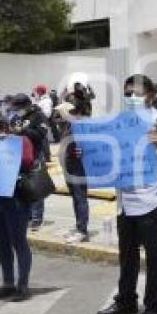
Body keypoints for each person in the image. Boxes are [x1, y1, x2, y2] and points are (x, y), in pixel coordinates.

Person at [97, 74, 157, 314]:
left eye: (137, 93)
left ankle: (154, 306)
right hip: (125, 199)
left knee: (155, 255)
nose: (132, 98)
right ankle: (126, 300)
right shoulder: (119, 122)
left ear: (151, 94)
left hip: (151, 199)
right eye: (128, 94)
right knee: (127, 254)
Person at [0, 114, 37, 302]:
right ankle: (7, 283)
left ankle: (23, 285)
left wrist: (6, 146)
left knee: (19, 242)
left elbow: (28, 162)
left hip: (16, 199)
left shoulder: (20, 141)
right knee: (2, 242)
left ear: (2, 128)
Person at [7, 94, 49, 230]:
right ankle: (27, 215)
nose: (16, 111)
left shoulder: (38, 116)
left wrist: (24, 130)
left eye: (18, 108)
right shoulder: (16, 117)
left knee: (35, 187)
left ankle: (37, 217)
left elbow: (41, 135)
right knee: (23, 187)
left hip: (35, 155)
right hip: (19, 156)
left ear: (26, 105)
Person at [54, 102, 90, 244]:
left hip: (78, 167)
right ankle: (79, 226)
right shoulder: (68, 125)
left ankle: (82, 230)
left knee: (80, 198)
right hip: (69, 166)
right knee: (75, 197)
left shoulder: (80, 126)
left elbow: (89, 145)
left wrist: (83, 150)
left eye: (60, 113)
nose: (58, 116)